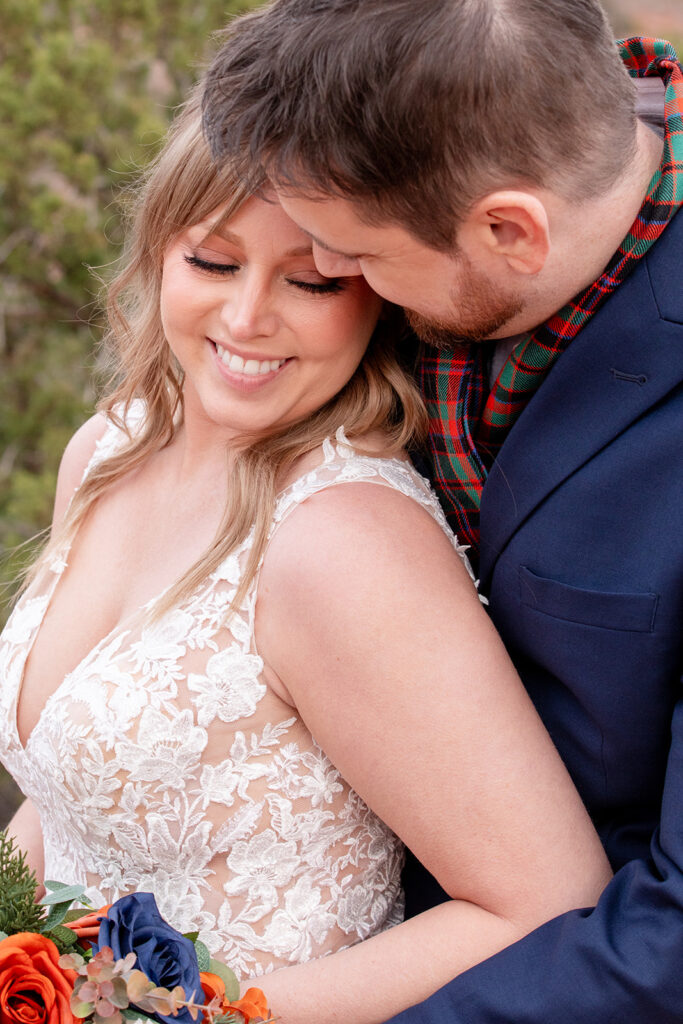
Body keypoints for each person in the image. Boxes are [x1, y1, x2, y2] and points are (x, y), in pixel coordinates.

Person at [0, 90, 610, 1021]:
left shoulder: (343, 542)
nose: (246, 318)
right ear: (159, 249)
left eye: (312, 281)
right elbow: (67, 793)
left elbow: (541, 900)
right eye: (212, 258)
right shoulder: (105, 452)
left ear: (376, 291)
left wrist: (196, 1020)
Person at [200, 0, 683, 1021]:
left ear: (508, 229)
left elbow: (672, 929)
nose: (327, 275)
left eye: (354, 255)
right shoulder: (430, 221)